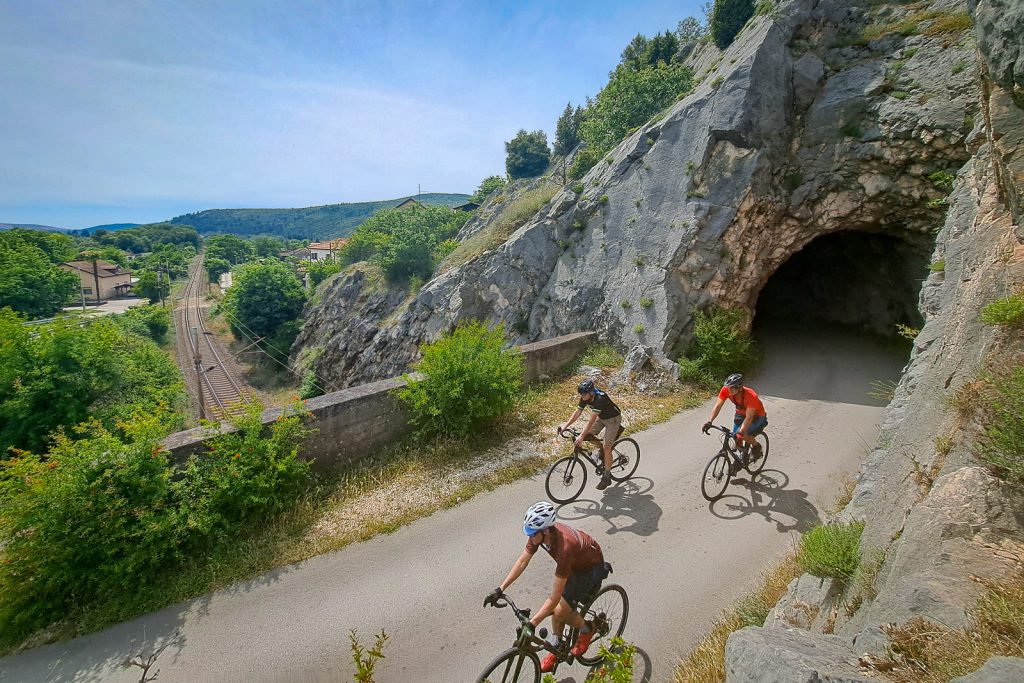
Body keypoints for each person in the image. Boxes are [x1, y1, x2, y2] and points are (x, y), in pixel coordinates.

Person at [485, 501, 609, 674]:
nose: (529, 536)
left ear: (545, 531)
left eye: (532, 533)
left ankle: (587, 629)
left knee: (559, 611)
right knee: (555, 610)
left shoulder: (565, 548)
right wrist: (500, 589)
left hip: (590, 568)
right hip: (575, 564)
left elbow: (554, 598)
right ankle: (556, 645)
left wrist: (533, 623)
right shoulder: (541, 534)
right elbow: (522, 561)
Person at [560, 379, 622, 490]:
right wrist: (565, 426)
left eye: (584, 394)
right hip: (602, 418)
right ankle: (601, 451)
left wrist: (581, 436)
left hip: (613, 419)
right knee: (588, 435)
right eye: (581, 394)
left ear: (591, 392)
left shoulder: (599, 399)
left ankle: (607, 476)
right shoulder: (586, 396)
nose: (582, 396)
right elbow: (577, 412)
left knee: (607, 446)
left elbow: (591, 421)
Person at [702, 373, 767, 468]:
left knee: (742, 434)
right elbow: (718, 406)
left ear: (739, 388)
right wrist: (709, 421)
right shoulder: (726, 390)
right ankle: (742, 456)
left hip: (757, 416)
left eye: (732, 388)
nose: (729, 390)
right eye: (728, 387)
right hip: (740, 413)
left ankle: (757, 446)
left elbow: (749, 417)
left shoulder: (751, 396)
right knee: (735, 436)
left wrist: (741, 432)